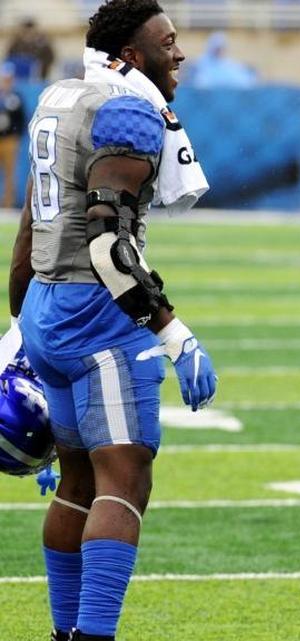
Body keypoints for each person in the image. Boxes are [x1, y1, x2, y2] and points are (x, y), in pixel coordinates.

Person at [6, 2, 217, 640]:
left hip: (47, 302)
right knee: (123, 482)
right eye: (168, 42)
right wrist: (173, 333)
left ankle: (65, 634)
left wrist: (21, 330)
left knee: (76, 478)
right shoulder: (126, 112)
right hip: (96, 316)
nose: (179, 53)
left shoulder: (61, 92)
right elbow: (107, 246)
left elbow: (31, 224)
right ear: (131, 52)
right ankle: (94, 635)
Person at [0, 64, 25, 209]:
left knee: (10, 173)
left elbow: (21, 117)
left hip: (9, 139)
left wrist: (16, 134)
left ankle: (7, 204)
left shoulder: (14, 96)